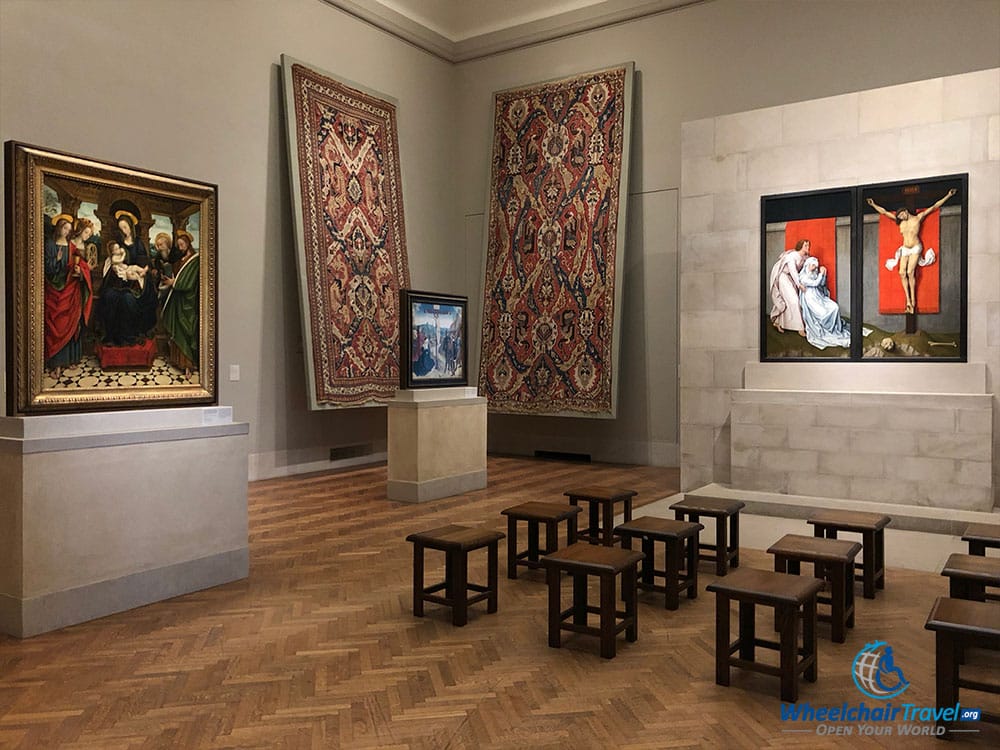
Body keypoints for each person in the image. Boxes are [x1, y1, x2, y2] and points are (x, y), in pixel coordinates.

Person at [867, 188, 956, 314]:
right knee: (902, 273)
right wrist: (873, 205)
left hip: (915, 247)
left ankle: (913, 301)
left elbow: (934, 207)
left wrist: (948, 195)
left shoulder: (918, 218)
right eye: (899, 216)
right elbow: (885, 212)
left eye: (901, 215)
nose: (901, 217)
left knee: (910, 272)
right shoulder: (901, 223)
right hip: (905, 248)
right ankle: (908, 301)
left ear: (905, 211)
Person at [95, 211, 157, 346]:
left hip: (135, 283)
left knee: (127, 299)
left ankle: (128, 337)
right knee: (109, 295)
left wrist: (139, 273)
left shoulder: (138, 243)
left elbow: (145, 264)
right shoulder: (118, 244)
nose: (124, 230)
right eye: (121, 228)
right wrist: (116, 270)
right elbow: (113, 261)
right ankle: (111, 336)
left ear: (131, 227)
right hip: (119, 281)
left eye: (125, 227)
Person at [43, 214, 93, 378]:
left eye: (69, 229)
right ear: (59, 227)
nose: (66, 232)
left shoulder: (72, 246)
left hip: (71, 289)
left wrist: (81, 271)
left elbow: (81, 264)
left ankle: (71, 358)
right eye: (64, 228)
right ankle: (56, 364)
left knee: (72, 322)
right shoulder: (50, 244)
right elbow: (47, 269)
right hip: (54, 289)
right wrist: (57, 261)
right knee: (56, 324)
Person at [161, 230, 200, 378]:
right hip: (178, 300)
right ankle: (179, 362)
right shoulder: (183, 258)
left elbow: (189, 282)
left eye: (182, 244)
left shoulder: (195, 260)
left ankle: (188, 365)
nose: (180, 247)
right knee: (177, 330)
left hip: (187, 301)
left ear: (188, 243)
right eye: (179, 245)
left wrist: (173, 282)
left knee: (185, 332)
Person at [798, 257, 850, 350]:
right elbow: (814, 283)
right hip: (810, 298)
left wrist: (824, 275)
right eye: (813, 265)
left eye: (816, 266)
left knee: (834, 307)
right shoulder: (803, 277)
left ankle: (834, 329)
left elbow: (821, 284)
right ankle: (827, 330)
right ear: (807, 265)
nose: (814, 268)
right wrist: (821, 274)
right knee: (823, 313)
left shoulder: (814, 274)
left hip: (819, 296)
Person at [767, 239, 810, 336]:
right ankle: (800, 328)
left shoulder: (804, 257)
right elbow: (793, 271)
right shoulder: (792, 256)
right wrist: (799, 285)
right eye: (806, 246)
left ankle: (777, 322)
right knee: (794, 300)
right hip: (783, 277)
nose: (808, 247)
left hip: (790, 278)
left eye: (808, 245)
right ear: (800, 247)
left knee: (789, 301)